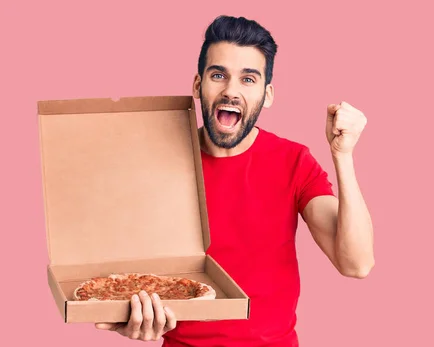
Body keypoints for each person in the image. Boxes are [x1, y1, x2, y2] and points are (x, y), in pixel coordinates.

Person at [95, 15, 374, 347]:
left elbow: (356, 263)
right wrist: (133, 317)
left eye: (248, 79)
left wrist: (343, 156)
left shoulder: (294, 162)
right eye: (218, 75)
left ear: (267, 94)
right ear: (198, 86)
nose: (231, 91)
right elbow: (130, 270)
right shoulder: (157, 164)